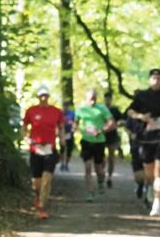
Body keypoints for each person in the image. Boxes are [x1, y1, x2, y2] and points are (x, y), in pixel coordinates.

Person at [127, 68, 160, 217]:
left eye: (159, 78)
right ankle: (149, 187)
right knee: (149, 174)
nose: (156, 80)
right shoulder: (142, 95)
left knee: (159, 174)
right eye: (153, 78)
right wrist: (141, 116)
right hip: (145, 139)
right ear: (149, 79)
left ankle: (157, 205)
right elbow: (129, 112)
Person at [22, 85, 65, 219]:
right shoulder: (31, 111)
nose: (43, 98)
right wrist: (27, 139)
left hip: (49, 149)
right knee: (37, 182)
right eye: (41, 96)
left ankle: (42, 206)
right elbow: (24, 127)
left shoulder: (56, 112)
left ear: (48, 97)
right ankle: (38, 198)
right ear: (38, 97)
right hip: (36, 149)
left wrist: (62, 138)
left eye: (45, 95)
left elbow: (61, 127)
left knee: (47, 178)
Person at [74, 88, 114, 202]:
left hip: (99, 141)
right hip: (86, 141)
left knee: (99, 169)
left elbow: (111, 122)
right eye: (90, 99)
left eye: (94, 99)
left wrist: (101, 130)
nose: (92, 101)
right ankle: (89, 192)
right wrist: (75, 128)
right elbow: (76, 123)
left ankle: (101, 181)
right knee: (87, 167)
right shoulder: (81, 110)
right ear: (86, 99)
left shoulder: (102, 109)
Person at [103, 90, 125, 188]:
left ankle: (109, 177)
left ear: (111, 99)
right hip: (102, 136)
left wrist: (119, 123)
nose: (108, 100)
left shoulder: (115, 110)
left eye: (109, 98)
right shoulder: (100, 110)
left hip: (112, 136)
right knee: (101, 157)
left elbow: (122, 119)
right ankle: (102, 173)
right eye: (106, 98)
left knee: (111, 157)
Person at [61, 100, 76, 171]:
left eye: (67, 106)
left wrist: (73, 129)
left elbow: (75, 122)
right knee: (62, 149)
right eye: (64, 106)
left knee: (69, 150)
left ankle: (66, 164)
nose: (65, 107)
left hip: (70, 133)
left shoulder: (72, 113)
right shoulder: (60, 113)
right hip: (62, 134)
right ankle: (62, 164)